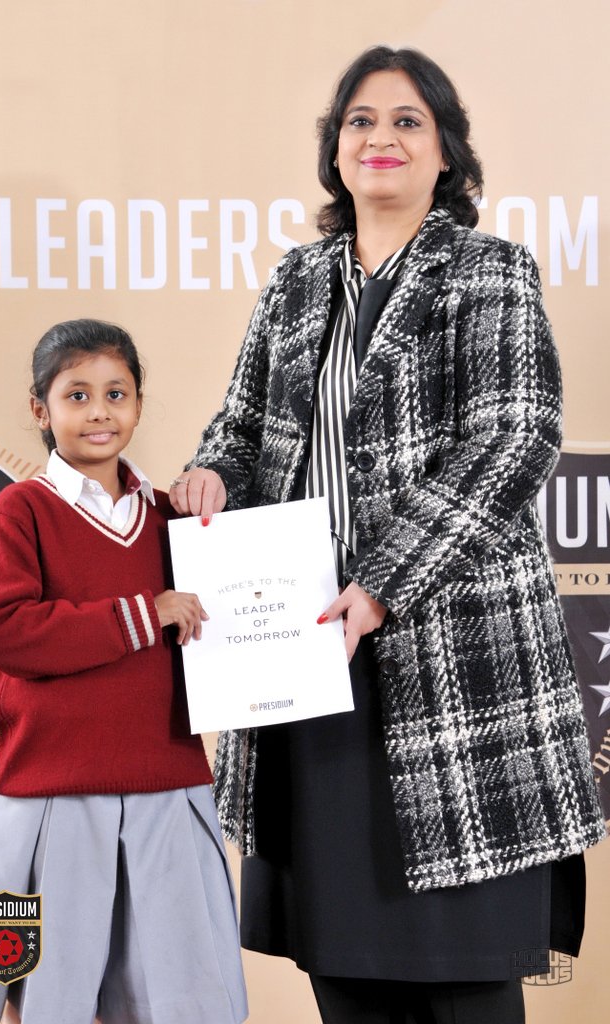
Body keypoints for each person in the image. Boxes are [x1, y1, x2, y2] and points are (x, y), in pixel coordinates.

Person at [169, 46, 606, 1024]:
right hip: (305, 654)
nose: (381, 138)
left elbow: (513, 438)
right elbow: (242, 426)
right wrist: (212, 472)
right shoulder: (294, 281)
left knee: (465, 976)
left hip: (453, 659)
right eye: (359, 121)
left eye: (408, 121)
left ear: (446, 151)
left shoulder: (490, 270)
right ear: (335, 150)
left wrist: (380, 583)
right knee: (344, 965)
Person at [0, 319, 248, 1024]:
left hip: (166, 788)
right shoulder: (21, 510)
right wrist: (144, 614)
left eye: (116, 393)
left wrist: (218, 494)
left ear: (139, 404)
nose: (99, 411)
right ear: (40, 410)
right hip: (46, 794)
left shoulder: (175, 518)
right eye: (76, 395)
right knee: (34, 995)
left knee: (177, 1000)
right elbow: (5, 631)